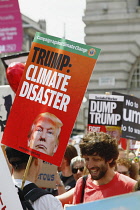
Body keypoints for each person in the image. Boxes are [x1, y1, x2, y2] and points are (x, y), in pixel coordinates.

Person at [73, 132, 137, 204]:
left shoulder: (130, 186)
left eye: (96, 159)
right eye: (87, 159)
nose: (90, 165)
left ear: (110, 159)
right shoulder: (82, 184)